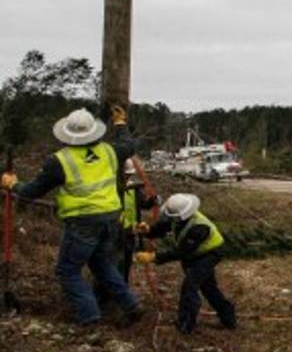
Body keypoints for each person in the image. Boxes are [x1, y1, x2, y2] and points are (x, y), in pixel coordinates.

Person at [0, 107, 142, 326]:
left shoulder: (60, 161)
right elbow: (129, 145)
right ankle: (131, 305)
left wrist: (13, 184)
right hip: (111, 219)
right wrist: (121, 124)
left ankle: (89, 316)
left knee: (68, 271)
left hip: (83, 222)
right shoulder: (109, 151)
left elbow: (31, 191)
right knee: (102, 265)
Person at [135, 193, 237, 335]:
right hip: (195, 254)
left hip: (209, 254)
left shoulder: (199, 228)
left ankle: (186, 324)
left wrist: (154, 257)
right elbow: (164, 226)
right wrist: (148, 231)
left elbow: (181, 252)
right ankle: (228, 318)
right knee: (208, 287)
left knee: (190, 286)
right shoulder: (178, 217)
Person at [116, 160, 158, 283]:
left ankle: (122, 287)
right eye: (126, 174)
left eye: (129, 174)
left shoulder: (133, 188)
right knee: (116, 263)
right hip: (115, 233)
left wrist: (152, 201)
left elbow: (143, 204)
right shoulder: (112, 189)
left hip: (130, 232)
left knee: (126, 263)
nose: (128, 177)